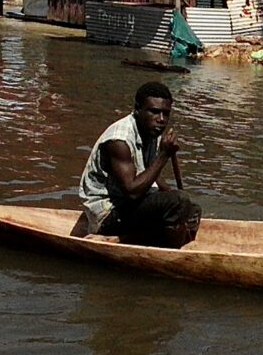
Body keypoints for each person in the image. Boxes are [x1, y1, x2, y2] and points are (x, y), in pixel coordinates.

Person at [79, 82, 201, 248]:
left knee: (192, 209)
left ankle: (148, 240)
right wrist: (164, 155)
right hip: (108, 214)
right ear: (137, 109)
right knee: (179, 202)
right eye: (154, 112)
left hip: (129, 206)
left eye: (166, 113)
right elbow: (132, 192)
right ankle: (122, 239)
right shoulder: (119, 141)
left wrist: (177, 198)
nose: (161, 119)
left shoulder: (151, 131)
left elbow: (149, 174)